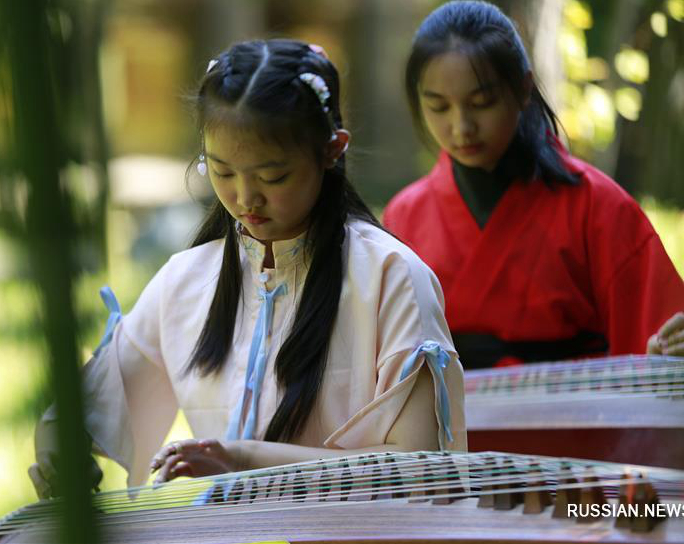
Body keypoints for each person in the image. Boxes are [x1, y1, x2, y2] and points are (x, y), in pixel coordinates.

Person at [28, 39, 466, 497]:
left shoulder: (391, 278)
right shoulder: (186, 281)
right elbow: (85, 414)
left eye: (272, 177)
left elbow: (422, 471)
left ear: (332, 150)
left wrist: (245, 459)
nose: (245, 198)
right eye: (221, 171)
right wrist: (60, 450)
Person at [383, 0, 684, 370]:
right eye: (439, 107)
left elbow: (660, 334)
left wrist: (667, 355)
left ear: (523, 90)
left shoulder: (598, 206)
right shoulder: (404, 216)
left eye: (482, 102)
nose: (461, 127)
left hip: (578, 422)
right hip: (454, 427)